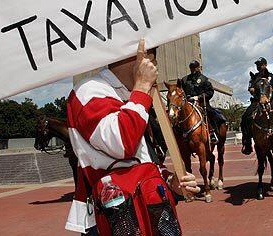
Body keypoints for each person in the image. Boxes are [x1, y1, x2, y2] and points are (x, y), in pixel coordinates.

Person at [64, 39, 200, 235]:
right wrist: (143, 86)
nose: (155, 66)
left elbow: (145, 159)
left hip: (147, 208)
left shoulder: (133, 96)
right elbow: (121, 143)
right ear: (137, 57)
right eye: (151, 56)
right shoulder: (89, 90)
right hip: (114, 217)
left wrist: (171, 183)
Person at [179, 60, 227, 144]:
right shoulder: (185, 80)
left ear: (198, 68)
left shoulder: (204, 79)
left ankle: (213, 133)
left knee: (211, 114)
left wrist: (198, 97)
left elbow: (210, 92)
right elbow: (181, 91)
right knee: (178, 116)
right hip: (188, 103)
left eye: (195, 67)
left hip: (202, 103)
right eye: (191, 68)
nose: (193, 69)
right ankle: (180, 135)